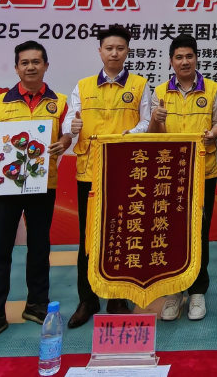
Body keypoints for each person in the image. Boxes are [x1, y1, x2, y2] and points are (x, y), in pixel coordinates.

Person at [0, 41, 72, 347]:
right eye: (25, 62)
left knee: (39, 246)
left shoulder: (60, 102)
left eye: (36, 61)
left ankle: (37, 304)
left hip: (42, 186)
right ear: (16, 68)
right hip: (6, 188)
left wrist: (63, 143)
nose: (30, 67)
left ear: (46, 66)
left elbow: (67, 134)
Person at [64, 25, 151, 329]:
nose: (114, 53)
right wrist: (71, 128)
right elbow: (69, 121)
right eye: (109, 48)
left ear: (127, 51)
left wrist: (129, 134)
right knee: (89, 238)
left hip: (126, 172)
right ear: (100, 51)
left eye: (120, 48)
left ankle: (117, 297)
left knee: (123, 235)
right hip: (89, 172)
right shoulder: (83, 86)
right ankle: (87, 299)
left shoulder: (139, 85)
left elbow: (146, 122)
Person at [148, 33, 217, 322]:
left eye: (189, 56)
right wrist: (156, 119)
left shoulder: (213, 89)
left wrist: (212, 134)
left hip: (203, 172)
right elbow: (153, 137)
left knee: (199, 233)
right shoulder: (159, 92)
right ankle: (173, 292)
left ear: (196, 59)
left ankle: (197, 292)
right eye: (179, 57)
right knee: (170, 232)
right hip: (170, 176)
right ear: (171, 61)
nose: (184, 61)